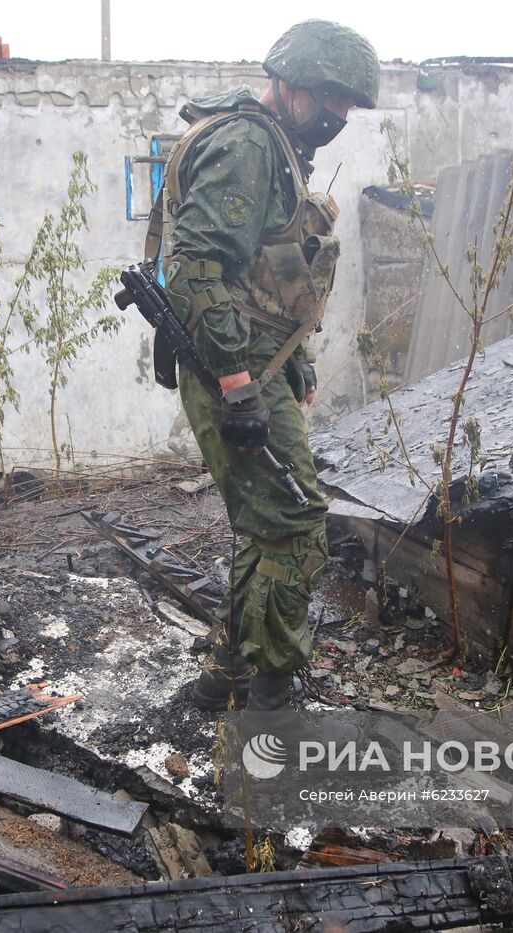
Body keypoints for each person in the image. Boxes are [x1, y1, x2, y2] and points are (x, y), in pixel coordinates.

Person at [143, 20, 380, 712]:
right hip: (230, 365)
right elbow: (196, 268)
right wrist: (239, 383)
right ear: (287, 85)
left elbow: (267, 275)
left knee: (270, 518)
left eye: (347, 105)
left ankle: (229, 674)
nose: (338, 115)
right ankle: (272, 700)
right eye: (327, 98)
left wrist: (294, 361)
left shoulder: (278, 147)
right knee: (293, 519)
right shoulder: (248, 144)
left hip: (256, 358)